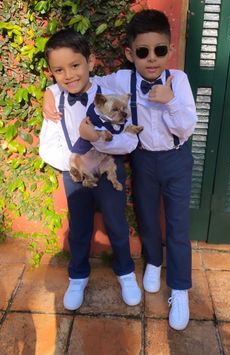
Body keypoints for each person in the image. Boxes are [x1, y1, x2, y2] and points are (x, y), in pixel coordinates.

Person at [43, 10, 197, 330]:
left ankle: (180, 289)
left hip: (175, 157)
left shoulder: (178, 80)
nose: (152, 59)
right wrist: (51, 92)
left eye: (160, 50)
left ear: (169, 50)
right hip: (143, 160)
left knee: (178, 226)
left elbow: (186, 128)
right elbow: (86, 80)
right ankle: (153, 262)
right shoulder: (122, 79)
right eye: (143, 52)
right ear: (130, 54)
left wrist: (170, 101)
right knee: (147, 217)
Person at [39, 28, 142, 311]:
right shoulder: (55, 101)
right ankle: (78, 275)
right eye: (59, 70)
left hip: (109, 169)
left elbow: (130, 139)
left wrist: (97, 140)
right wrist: (77, 161)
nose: (69, 75)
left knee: (117, 224)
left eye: (75, 65)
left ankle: (125, 271)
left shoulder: (109, 95)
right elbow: (46, 146)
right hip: (76, 175)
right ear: (51, 73)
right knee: (79, 227)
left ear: (91, 62)